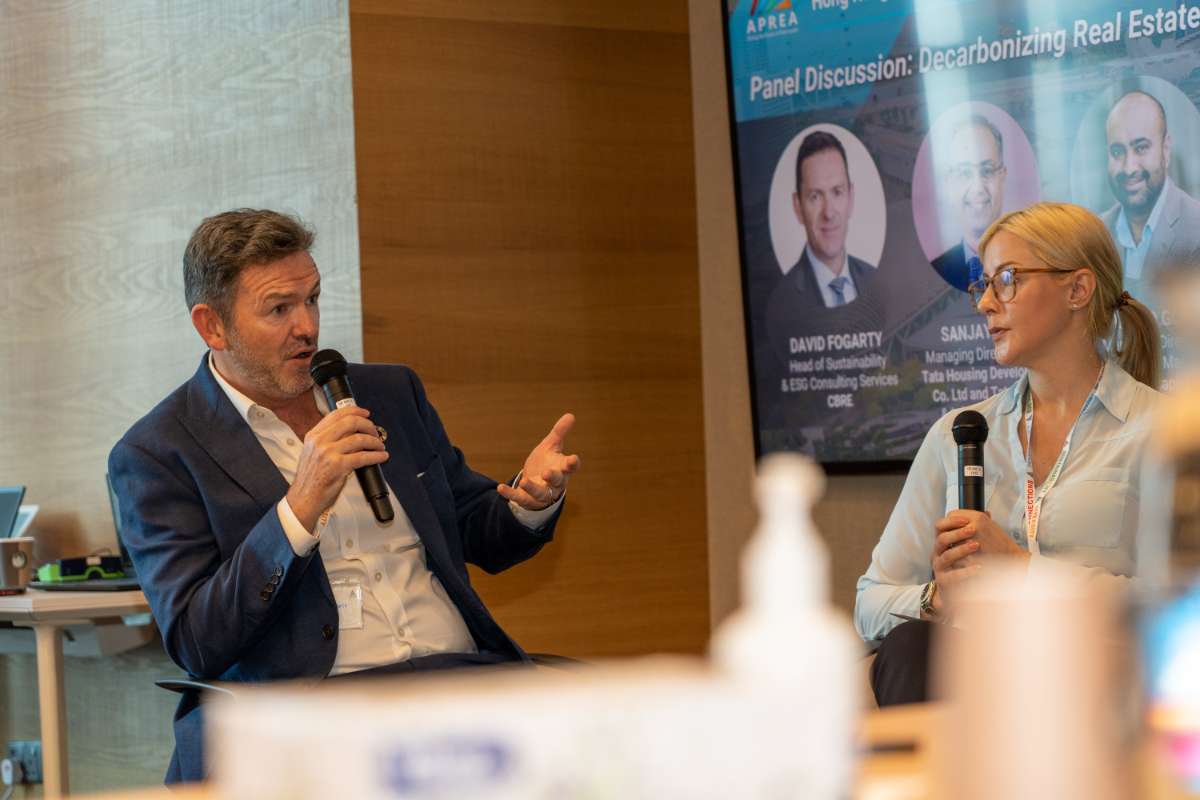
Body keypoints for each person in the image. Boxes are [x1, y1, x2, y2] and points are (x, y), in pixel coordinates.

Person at [108, 209, 580, 783]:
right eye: (279, 309)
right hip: (316, 710)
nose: (307, 326)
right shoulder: (158, 453)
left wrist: (529, 502)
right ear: (213, 327)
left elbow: (474, 527)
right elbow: (197, 640)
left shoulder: (389, 391)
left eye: (312, 299)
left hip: (460, 683)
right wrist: (299, 507)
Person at [855, 202, 1161, 707]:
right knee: (912, 646)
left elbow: (1177, 609)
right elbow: (870, 602)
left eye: (1007, 280)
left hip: (1096, 688)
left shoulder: (1161, 431)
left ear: (1077, 290)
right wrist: (939, 596)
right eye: (984, 285)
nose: (984, 304)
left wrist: (1022, 570)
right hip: (977, 685)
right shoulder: (957, 435)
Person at [1101, 89, 1200, 302]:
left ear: (1166, 149)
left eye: (1141, 148)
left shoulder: (1196, 229)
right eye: (1117, 152)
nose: (1129, 168)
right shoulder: (1095, 234)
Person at [931, 114, 1008, 292]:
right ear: (949, 183)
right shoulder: (937, 271)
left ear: (1002, 177)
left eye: (987, 170)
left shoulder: (1034, 262)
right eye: (964, 173)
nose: (977, 188)